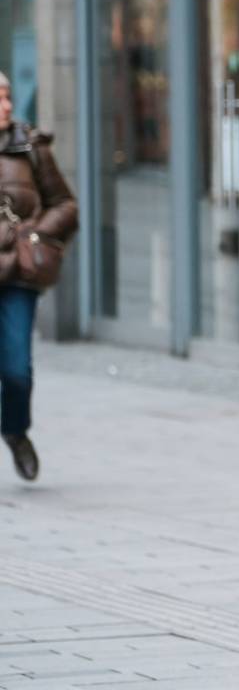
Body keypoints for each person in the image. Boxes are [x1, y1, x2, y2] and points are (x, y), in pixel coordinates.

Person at [0, 71, 78, 482]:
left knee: (16, 369)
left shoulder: (30, 146)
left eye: (8, 96)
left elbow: (65, 204)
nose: (8, 106)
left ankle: (14, 430)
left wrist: (35, 233)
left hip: (18, 273)